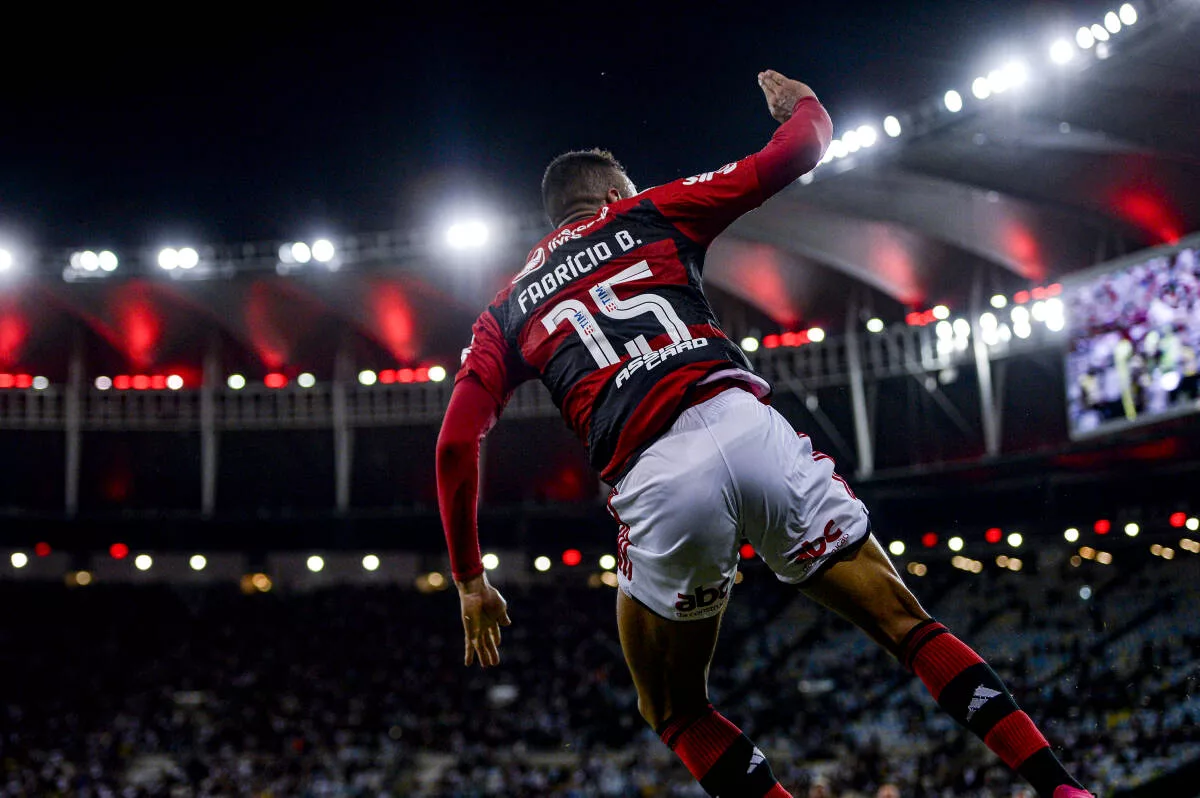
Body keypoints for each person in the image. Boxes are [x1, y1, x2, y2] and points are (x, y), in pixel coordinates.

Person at [436, 69, 1092, 798]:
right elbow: (801, 149)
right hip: (747, 424)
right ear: (615, 194)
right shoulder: (650, 212)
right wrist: (801, 103)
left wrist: (470, 577)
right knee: (909, 626)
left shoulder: (505, 311)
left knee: (674, 708)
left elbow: (455, 445)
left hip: (655, 474)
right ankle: (1061, 788)